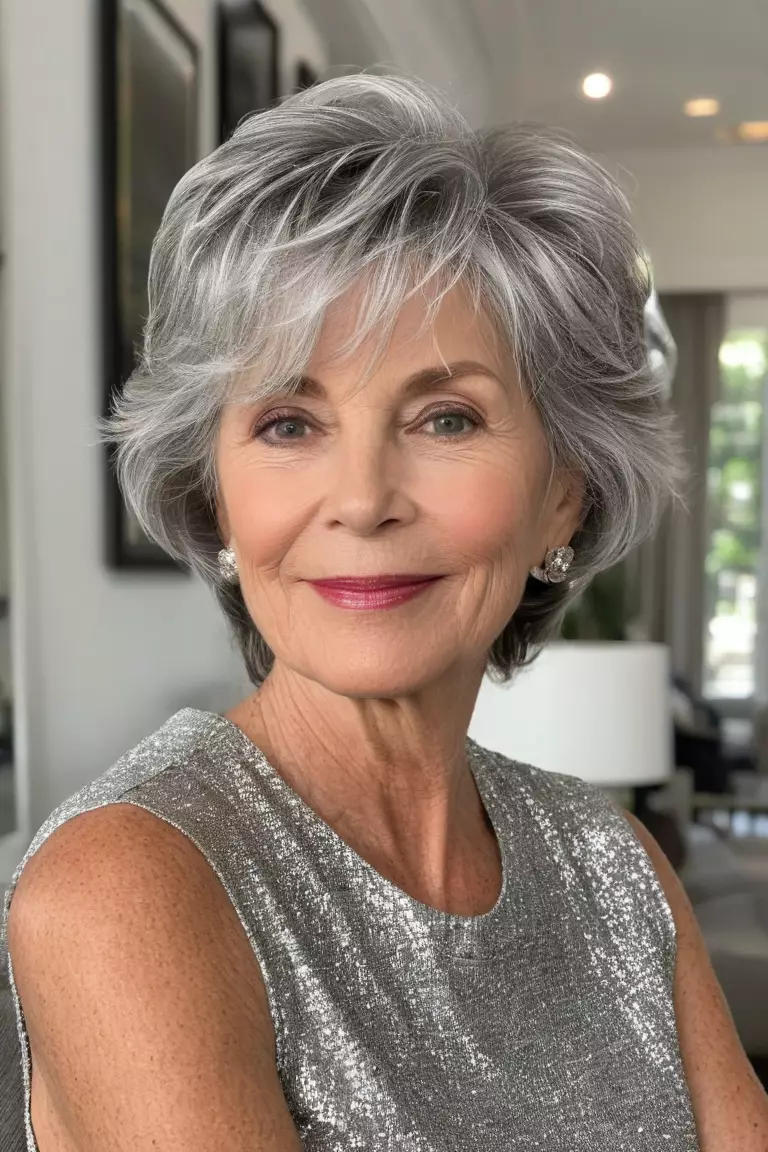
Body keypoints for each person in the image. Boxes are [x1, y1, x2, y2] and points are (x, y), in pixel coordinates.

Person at [1, 72, 766, 1152]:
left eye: (447, 418)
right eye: (286, 423)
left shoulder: (617, 864)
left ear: (566, 488)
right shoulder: (131, 886)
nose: (362, 500)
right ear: (212, 487)